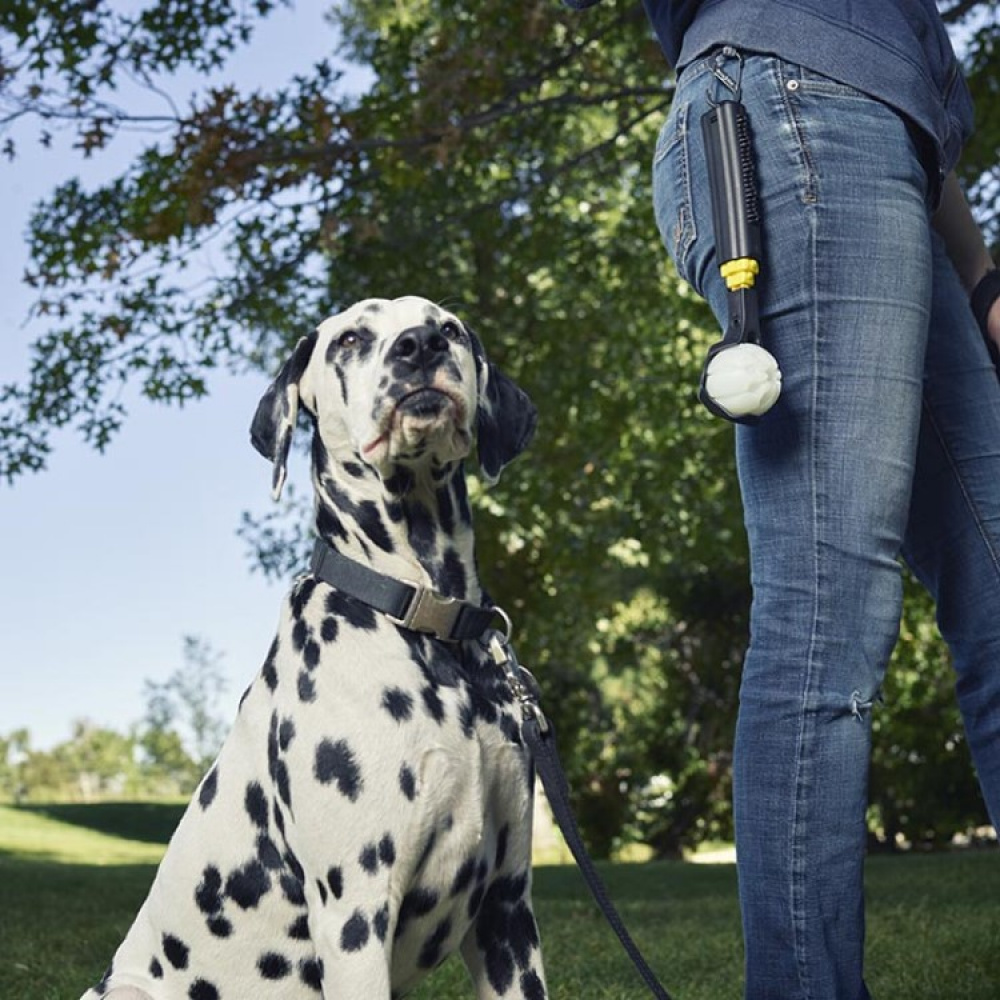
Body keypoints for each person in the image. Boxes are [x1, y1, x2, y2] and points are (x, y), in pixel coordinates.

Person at [563, 2, 1000, 998]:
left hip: (890, 161)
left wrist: (977, 279)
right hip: (793, 122)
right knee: (826, 614)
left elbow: (912, 109)